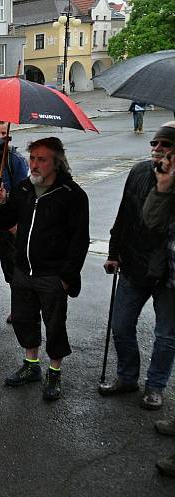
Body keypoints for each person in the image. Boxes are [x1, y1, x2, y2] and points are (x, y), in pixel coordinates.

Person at [0, 137, 90, 401]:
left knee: (55, 326)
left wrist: (66, 279)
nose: (34, 164)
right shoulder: (24, 188)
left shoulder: (72, 195)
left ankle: (54, 372)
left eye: (41, 159)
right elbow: (4, 221)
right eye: (32, 158)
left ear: (56, 163)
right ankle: (31, 365)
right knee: (24, 320)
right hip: (23, 270)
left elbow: (79, 241)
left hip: (53, 275)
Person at [99, 123, 175, 409]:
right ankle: (127, 377)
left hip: (168, 271)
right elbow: (125, 213)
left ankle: (155, 386)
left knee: (166, 335)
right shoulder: (139, 171)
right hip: (134, 263)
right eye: (154, 144)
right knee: (121, 326)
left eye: (165, 145)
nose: (157, 150)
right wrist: (114, 251)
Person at [141, 150, 175, 476]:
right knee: (167, 337)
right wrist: (164, 187)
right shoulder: (168, 182)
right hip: (171, 279)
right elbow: (150, 221)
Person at [0, 120, 29, 323]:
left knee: (11, 268)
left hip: (5, 224)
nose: (1, 137)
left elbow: (24, 194)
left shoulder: (15, 159)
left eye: (4, 132)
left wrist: (6, 198)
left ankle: (17, 307)